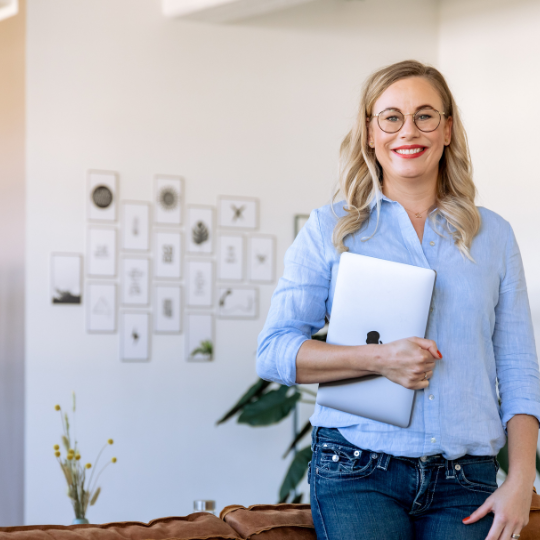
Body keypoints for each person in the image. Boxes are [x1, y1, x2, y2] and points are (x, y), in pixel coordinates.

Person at [256, 60, 540, 540]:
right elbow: (274, 352)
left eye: (425, 116)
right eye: (391, 117)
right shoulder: (330, 229)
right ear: (370, 132)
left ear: (447, 129)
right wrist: (381, 358)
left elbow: (518, 368)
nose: (408, 130)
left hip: (465, 482)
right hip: (357, 472)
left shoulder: (493, 235)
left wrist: (519, 479)